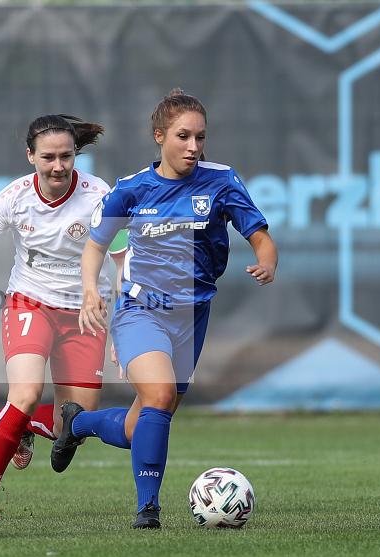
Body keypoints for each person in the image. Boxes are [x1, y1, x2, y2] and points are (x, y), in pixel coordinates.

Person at [53, 89, 278, 529]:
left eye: (200, 137)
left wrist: (267, 262)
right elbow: (95, 246)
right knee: (157, 396)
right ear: (160, 136)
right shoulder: (132, 189)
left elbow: (259, 235)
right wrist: (90, 292)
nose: (193, 147)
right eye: (183, 137)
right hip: (142, 309)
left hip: (191, 318)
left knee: (145, 423)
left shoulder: (222, 180)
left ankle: (78, 425)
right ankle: (147, 509)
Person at [0, 114, 120, 522]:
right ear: (30, 156)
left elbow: (124, 259)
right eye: (48, 157)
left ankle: (25, 426)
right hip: (30, 303)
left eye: (66, 156)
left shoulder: (101, 195)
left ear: (77, 155)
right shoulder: (13, 197)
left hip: (87, 313)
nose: (58, 166)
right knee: (23, 394)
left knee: (72, 425)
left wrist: (122, 326)